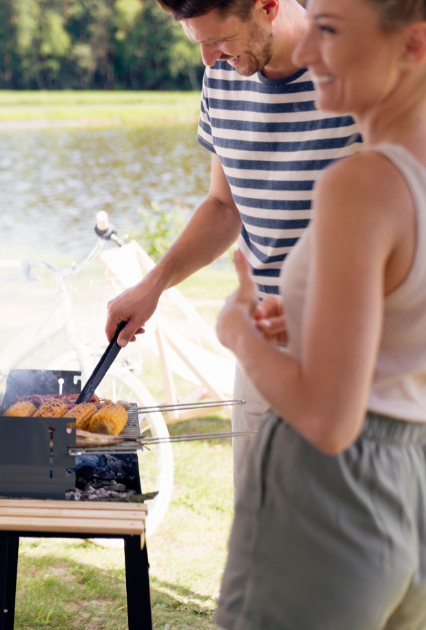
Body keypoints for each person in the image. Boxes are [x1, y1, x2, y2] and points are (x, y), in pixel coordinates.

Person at [214, 0, 426, 625]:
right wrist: (315, 315)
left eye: (328, 32)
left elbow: (330, 421)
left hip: (332, 489)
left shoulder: (361, 182)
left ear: (413, 45)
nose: (304, 54)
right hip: (413, 477)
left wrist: (238, 336)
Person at [105, 0, 362, 490]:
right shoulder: (222, 78)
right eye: (197, 42)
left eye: (217, 39)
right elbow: (225, 206)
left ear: (268, 6)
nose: (207, 58)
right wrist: (153, 285)